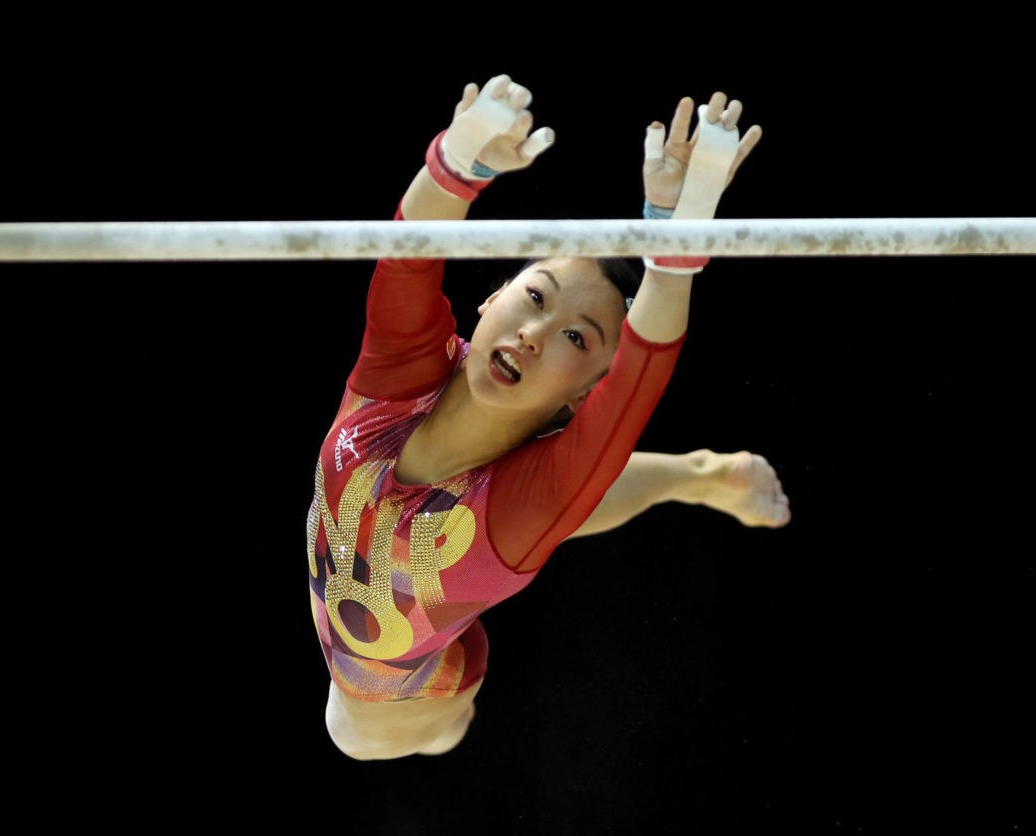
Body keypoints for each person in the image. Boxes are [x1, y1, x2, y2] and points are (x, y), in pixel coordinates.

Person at [308, 73, 790, 761]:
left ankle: (700, 475)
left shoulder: (520, 506)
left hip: (412, 698)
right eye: (536, 295)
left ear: (586, 392)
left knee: (355, 737)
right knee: (560, 495)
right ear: (492, 296)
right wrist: (459, 159)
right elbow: (406, 258)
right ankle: (701, 474)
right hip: (455, 568)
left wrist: (678, 243)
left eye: (576, 337)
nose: (536, 331)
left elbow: (635, 387)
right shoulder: (403, 372)